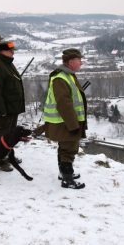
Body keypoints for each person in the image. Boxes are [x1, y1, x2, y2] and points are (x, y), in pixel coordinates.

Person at [43, 48, 87, 189]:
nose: (81, 63)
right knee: (69, 149)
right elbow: (64, 104)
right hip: (66, 123)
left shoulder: (68, 75)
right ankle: (67, 180)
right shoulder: (61, 78)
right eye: (79, 61)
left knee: (65, 148)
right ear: (70, 62)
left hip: (66, 122)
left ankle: (64, 174)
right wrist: (73, 125)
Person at [0, 41, 25, 171]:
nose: (12, 52)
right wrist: (1, 110)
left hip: (11, 109)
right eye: (10, 50)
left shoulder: (8, 63)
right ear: (2, 51)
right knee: (1, 136)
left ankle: (8, 156)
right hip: (3, 111)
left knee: (9, 136)